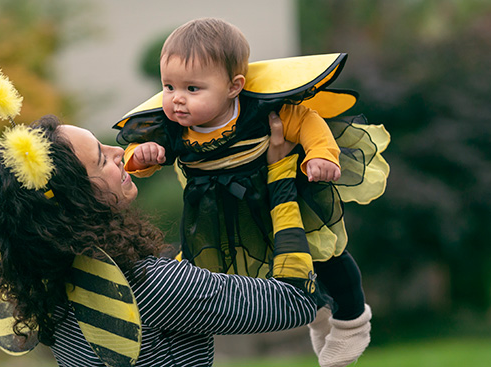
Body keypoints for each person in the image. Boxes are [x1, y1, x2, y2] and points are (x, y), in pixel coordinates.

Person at [113, 17, 389, 367]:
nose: (176, 100)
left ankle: (352, 322)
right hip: (221, 216)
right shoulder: (171, 127)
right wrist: (141, 157)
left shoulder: (259, 112)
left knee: (325, 255)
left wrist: (321, 155)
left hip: (281, 195)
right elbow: (146, 153)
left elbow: (306, 121)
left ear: (233, 86)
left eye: (192, 89)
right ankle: (319, 311)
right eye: (169, 87)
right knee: (250, 271)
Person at [0, 113, 318, 367]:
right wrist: (281, 178)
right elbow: (296, 302)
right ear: (77, 200)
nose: (118, 151)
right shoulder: (151, 286)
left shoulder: (47, 288)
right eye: (101, 158)